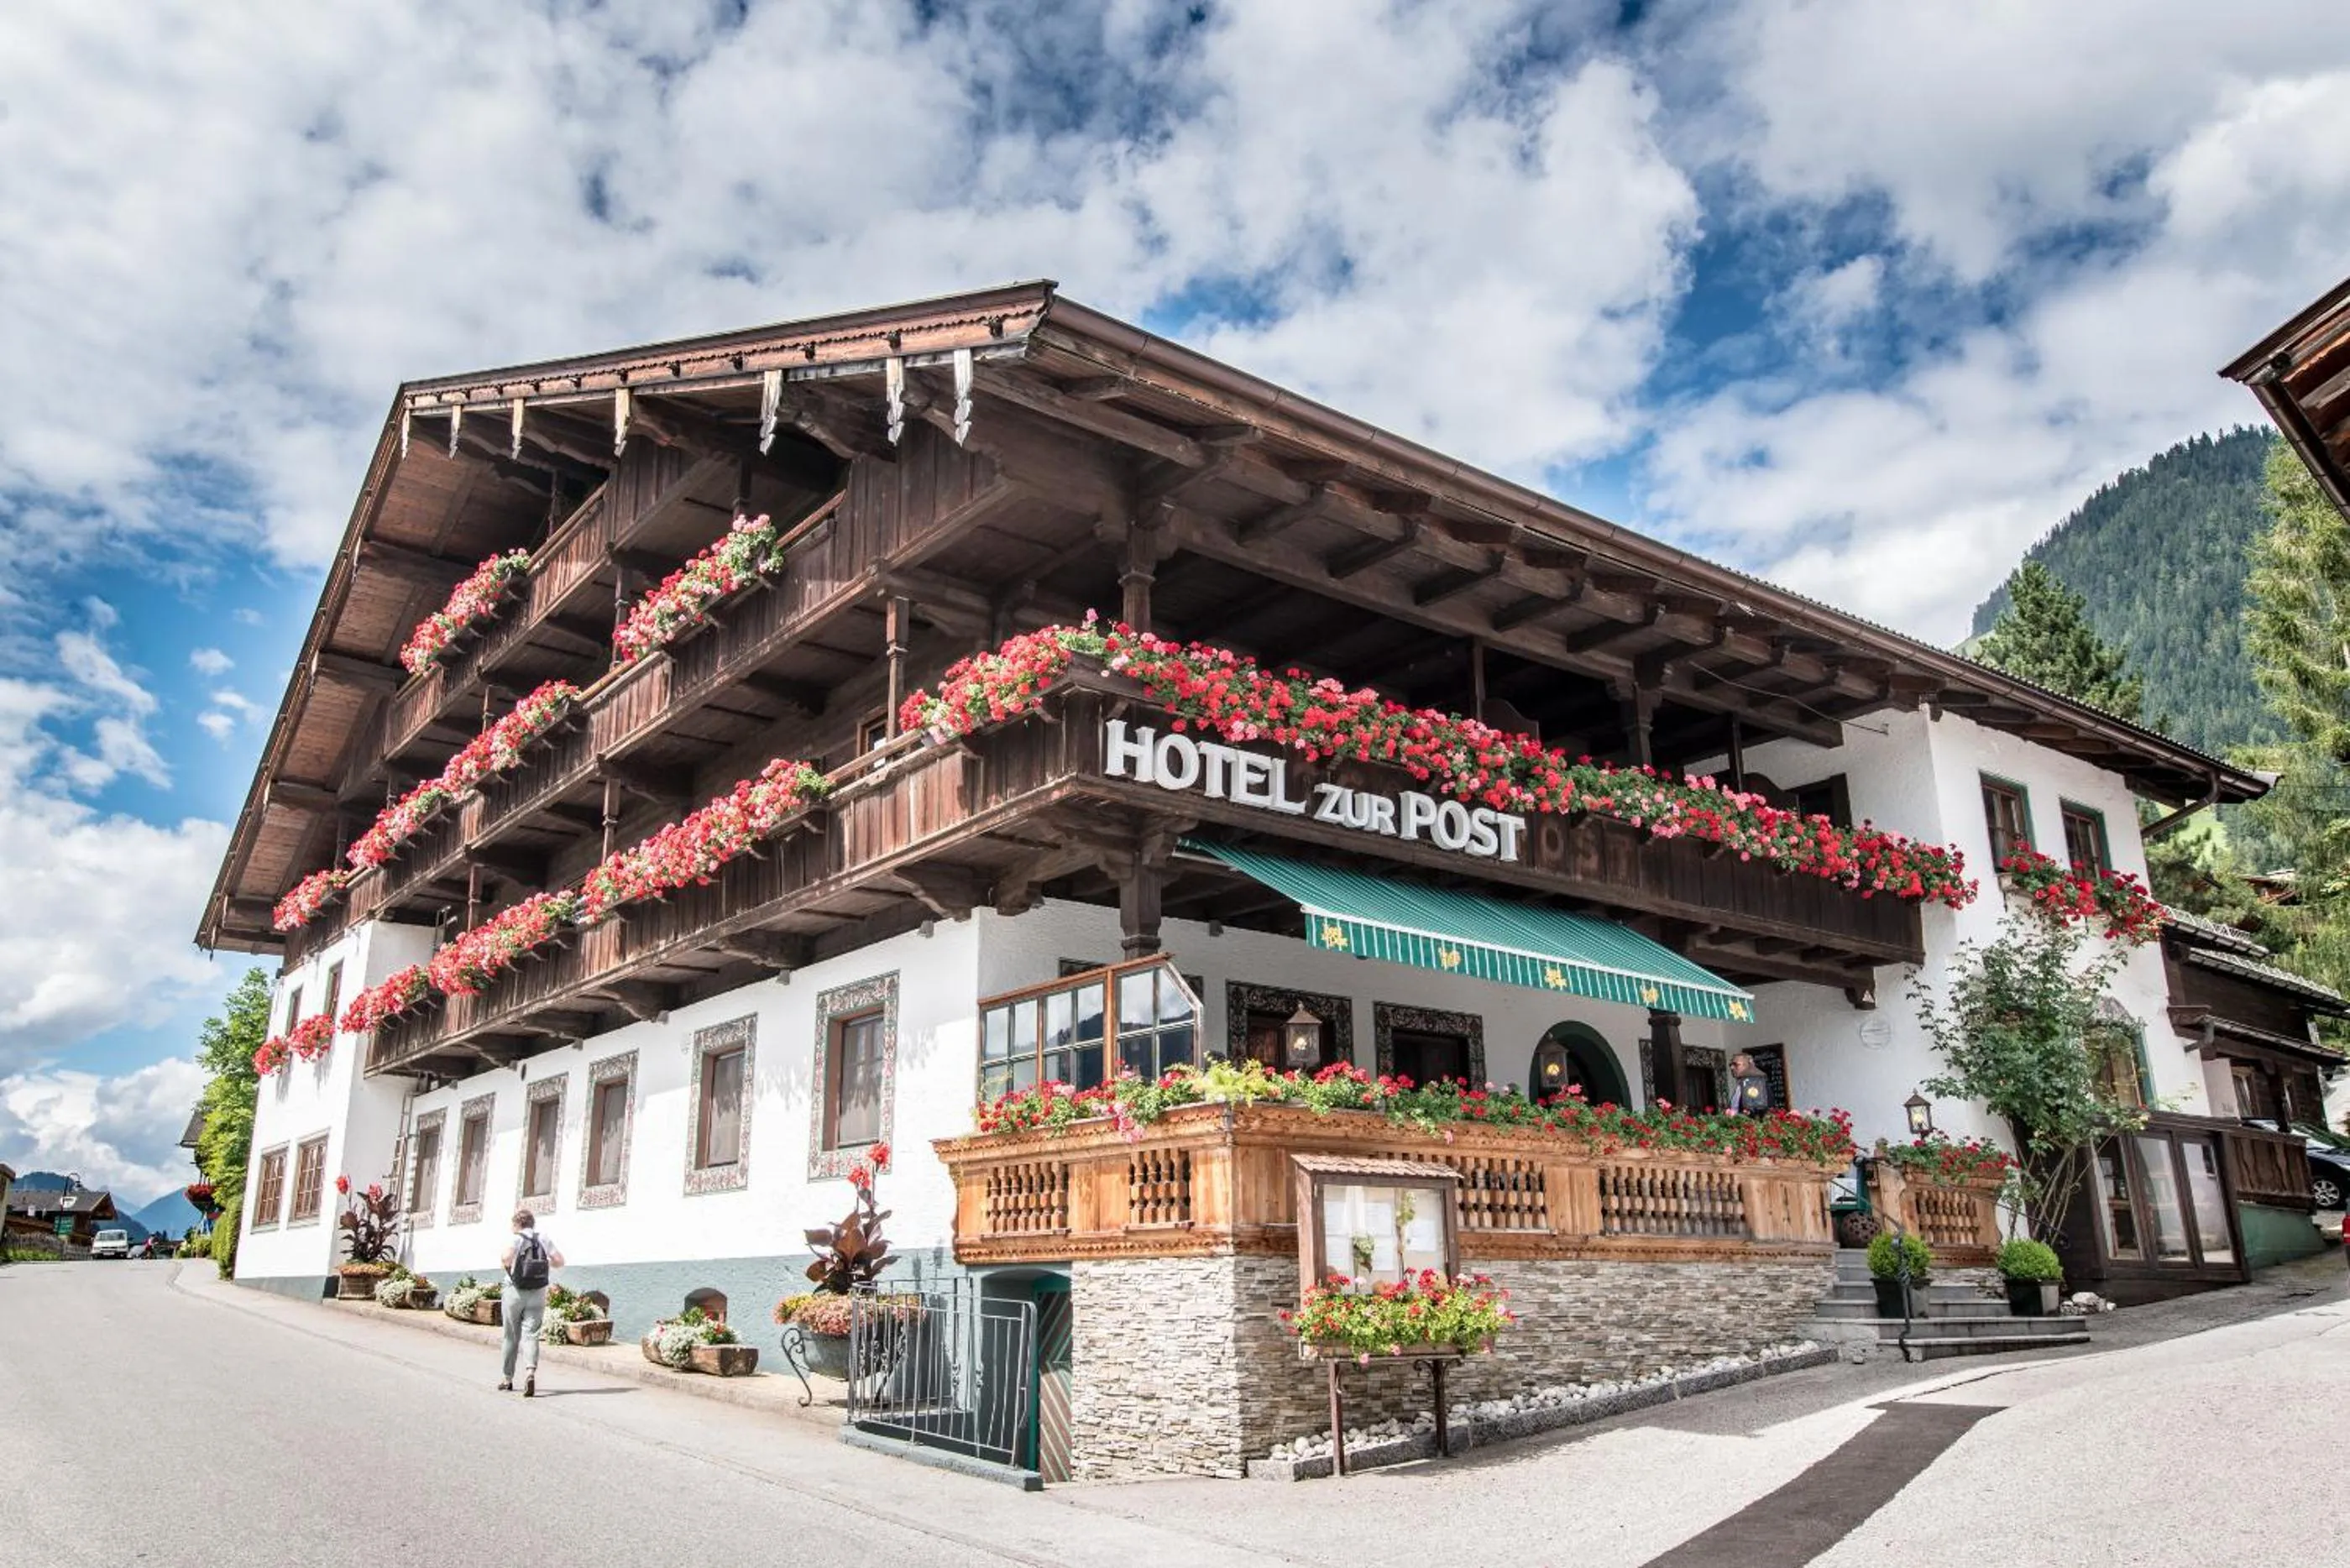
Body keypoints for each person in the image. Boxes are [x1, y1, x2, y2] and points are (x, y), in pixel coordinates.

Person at [499, 1207, 564, 1396]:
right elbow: (560, 1261)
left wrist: (508, 1265)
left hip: (515, 1291)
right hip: (538, 1292)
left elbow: (506, 1258)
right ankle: (530, 1371)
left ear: (517, 1224)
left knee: (511, 1335)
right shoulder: (543, 1237)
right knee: (532, 1334)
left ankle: (507, 1378)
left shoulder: (516, 1238)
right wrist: (543, 1264)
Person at [1728, 1053, 1772, 1117]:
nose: (1732, 1068)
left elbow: (1759, 1111)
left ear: (1750, 1065)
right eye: (1731, 1065)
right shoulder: (1741, 1085)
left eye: (1736, 1064)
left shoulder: (1756, 1084)